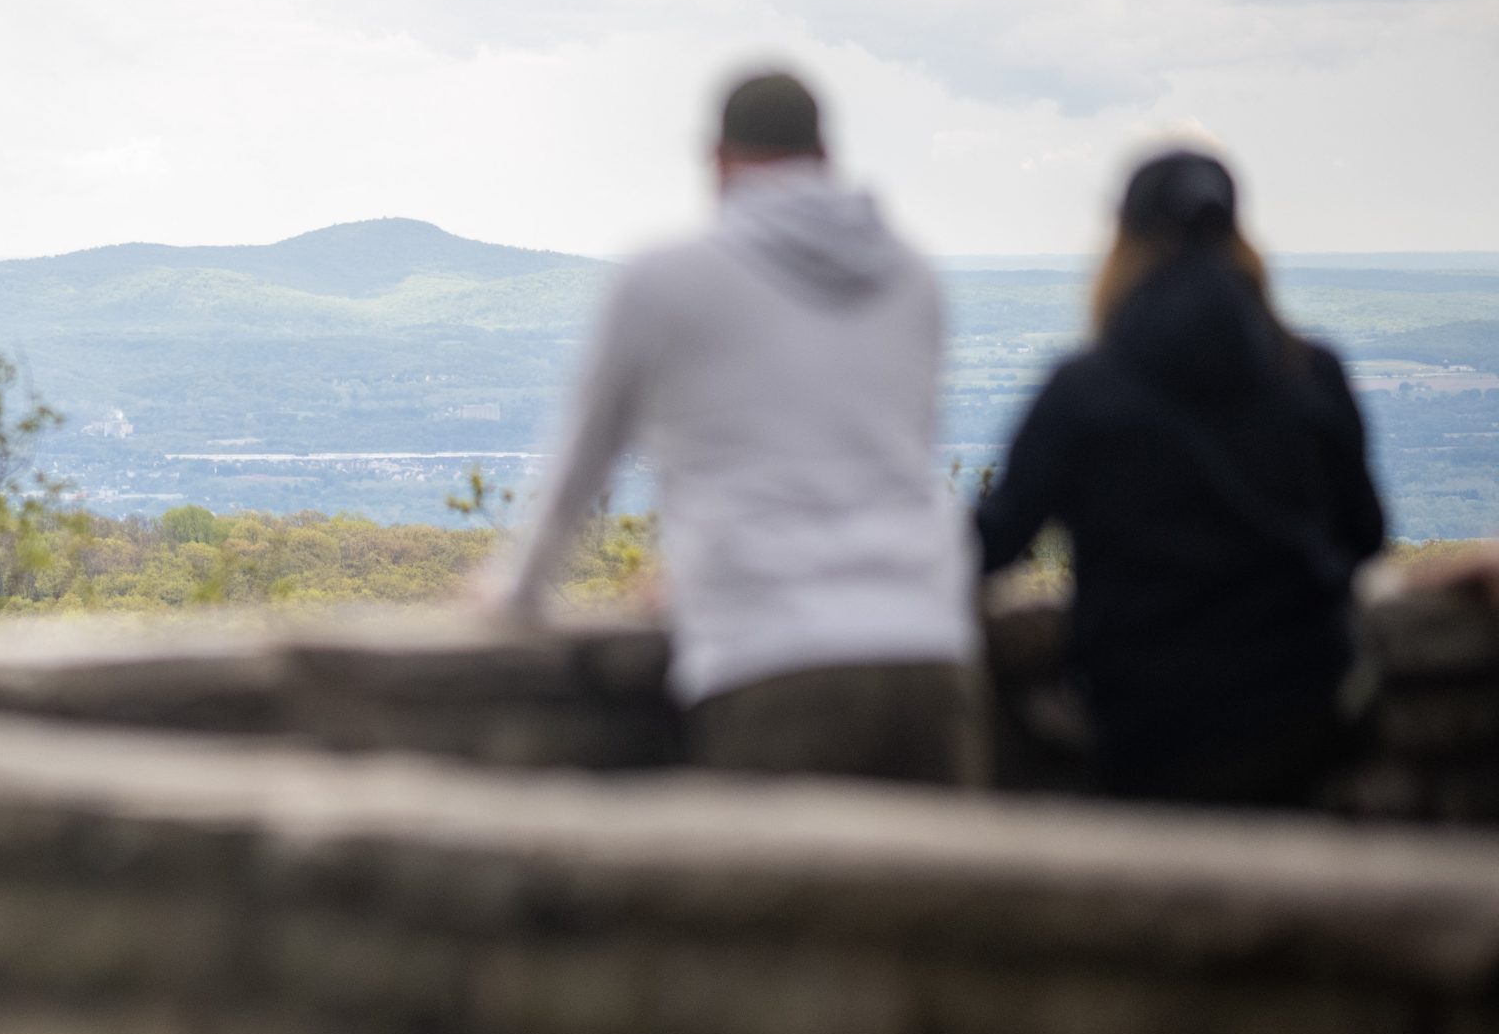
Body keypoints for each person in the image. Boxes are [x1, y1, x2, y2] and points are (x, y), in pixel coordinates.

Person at [483, 68, 980, 783]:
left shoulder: (666, 276)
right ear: (825, 157)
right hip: (930, 648)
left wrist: (517, 595)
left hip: (767, 656)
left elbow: (583, 461)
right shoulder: (915, 277)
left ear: (717, 160)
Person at [976, 149, 1384, 805]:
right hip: (1304, 726)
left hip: (1142, 734)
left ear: (1122, 245)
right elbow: (1365, 536)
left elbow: (995, 540)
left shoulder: (1085, 390)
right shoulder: (1313, 374)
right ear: (1239, 240)